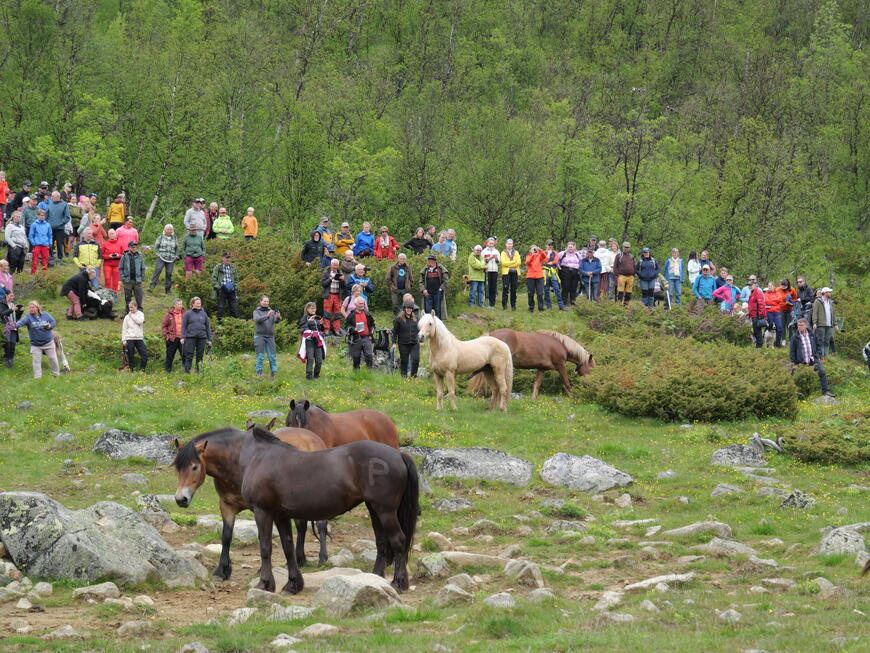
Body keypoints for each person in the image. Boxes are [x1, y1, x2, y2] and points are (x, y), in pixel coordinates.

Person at [790, 318, 834, 397]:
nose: (799, 327)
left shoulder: (812, 335)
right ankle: (792, 393)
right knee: (793, 375)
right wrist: (794, 363)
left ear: (806, 326)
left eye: (801, 325)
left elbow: (818, 346)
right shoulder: (795, 337)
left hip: (813, 360)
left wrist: (818, 357)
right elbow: (792, 351)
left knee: (822, 372)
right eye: (798, 325)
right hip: (801, 362)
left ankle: (825, 391)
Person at [15, 301, 60, 378]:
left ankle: (56, 375)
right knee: (36, 362)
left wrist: (50, 326)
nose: (31, 309)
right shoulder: (28, 317)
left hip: (48, 343)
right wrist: (14, 325)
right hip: (36, 345)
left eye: (33, 307)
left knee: (53, 359)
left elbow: (53, 321)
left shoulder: (45, 315)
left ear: (37, 308)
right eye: (30, 308)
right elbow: (21, 322)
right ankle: (38, 378)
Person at [253, 295, 282, 378]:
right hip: (259, 336)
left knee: (272, 356)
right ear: (260, 302)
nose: (266, 303)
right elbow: (257, 320)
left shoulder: (271, 311)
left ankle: (274, 372)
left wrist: (278, 317)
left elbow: (276, 321)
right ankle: (259, 372)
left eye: (267, 301)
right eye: (264, 301)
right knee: (260, 356)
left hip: (270, 336)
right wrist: (267, 316)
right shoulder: (256, 311)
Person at [181, 296, 212, 373]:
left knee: (200, 355)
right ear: (192, 304)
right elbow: (183, 326)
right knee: (189, 355)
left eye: (200, 303)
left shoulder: (204, 314)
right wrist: (182, 337)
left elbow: (208, 327)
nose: (199, 304)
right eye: (197, 303)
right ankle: (187, 371)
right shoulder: (188, 314)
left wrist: (209, 339)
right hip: (190, 338)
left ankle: (198, 371)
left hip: (202, 338)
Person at [345, 296, 375, 370]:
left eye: (363, 303)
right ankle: (356, 372)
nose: (362, 305)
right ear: (355, 304)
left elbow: (373, 325)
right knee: (356, 357)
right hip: (356, 338)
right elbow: (347, 327)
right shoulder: (351, 315)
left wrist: (371, 334)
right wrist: (353, 329)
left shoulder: (367, 314)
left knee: (369, 355)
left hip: (366, 337)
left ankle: (369, 371)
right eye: (360, 304)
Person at [297, 301, 324, 379]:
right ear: (307, 309)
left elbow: (321, 330)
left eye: (314, 308)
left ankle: (316, 374)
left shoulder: (317, 317)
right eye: (312, 308)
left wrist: (321, 324)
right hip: (309, 341)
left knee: (319, 359)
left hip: (317, 340)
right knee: (310, 358)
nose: (313, 310)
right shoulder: (304, 318)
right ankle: (309, 375)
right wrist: (308, 322)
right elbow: (302, 329)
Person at [149, 224, 179, 294]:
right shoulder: (161, 237)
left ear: (172, 231)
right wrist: (158, 254)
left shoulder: (174, 238)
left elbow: (177, 248)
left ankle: (168, 290)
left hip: (171, 258)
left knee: (169, 273)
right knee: (158, 270)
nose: (169, 231)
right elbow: (156, 247)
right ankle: (151, 287)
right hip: (161, 257)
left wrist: (176, 256)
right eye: (168, 229)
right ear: (165, 230)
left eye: (171, 229)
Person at [392, 300, 420, 377]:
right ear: (404, 308)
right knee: (404, 360)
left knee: (416, 359)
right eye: (407, 308)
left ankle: (414, 375)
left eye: (411, 308)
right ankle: (403, 376)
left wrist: (421, 340)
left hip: (414, 343)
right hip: (403, 344)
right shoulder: (399, 319)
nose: (409, 309)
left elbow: (420, 331)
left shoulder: (416, 319)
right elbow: (395, 332)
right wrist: (394, 343)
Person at [320, 258, 345, 335]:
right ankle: (326, 329)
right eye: (334, 265)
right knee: (327, 313)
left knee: (337, 313)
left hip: (337, 295)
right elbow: (323, 284)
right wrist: (331, 278)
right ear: (331, 265)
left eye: (337, 265)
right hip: (329, 295)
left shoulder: (340, 273)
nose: (335, 266)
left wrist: (342, 280)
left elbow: (344, 287)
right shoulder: (326, 273)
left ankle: (336, 329)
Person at [119, 241, 146, 313]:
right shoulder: (124, 256)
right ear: (129, 248)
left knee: (139, 297)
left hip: (137, 280)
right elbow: (120, 268)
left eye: (135, 247)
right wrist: (123, 278)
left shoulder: (140, 256)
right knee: (127, 297)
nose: (134, 248)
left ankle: (140, 312)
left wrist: (142, 277)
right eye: (132, 247)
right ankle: (128, 312)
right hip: (128, 281)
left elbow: (143, 267)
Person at [45, 191, 71, 264]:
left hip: (60, 228)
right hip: (50, 228)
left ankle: (60, 258)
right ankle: (51, 257)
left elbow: (67, 217)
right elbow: (46, 215)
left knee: (60, 243)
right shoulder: (50, 205)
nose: (51, 198)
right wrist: (47, 224)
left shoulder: (64, 205)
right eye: (52, 196)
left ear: (57, 197)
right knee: (50, 243)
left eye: (53, 196)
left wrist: (60, 223)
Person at [211, 252, 239, 319]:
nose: (228, 259)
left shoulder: (233, 268)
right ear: (222, 258)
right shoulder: (218, 267)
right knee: (221, 308)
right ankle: (219, 324)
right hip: (222, 290)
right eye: (226, 257)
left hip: (231, 290)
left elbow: (236, 280)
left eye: (229, 257)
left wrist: (234, 287)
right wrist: (220, 287)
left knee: (234, 308)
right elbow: (213, 279)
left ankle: (234, 323)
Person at [121, 301, 147, 371]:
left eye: (131, 307)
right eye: (129, 307)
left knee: (144, 353)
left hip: (139, 338)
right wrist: (124, 340)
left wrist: (132, 316)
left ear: (136, 307)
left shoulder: (140, 314)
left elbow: (140, 321)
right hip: (129, 338)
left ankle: (142, 369)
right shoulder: (126, 317)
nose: (130, 309)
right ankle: (132, 368)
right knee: (130, 354)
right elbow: (124, 329)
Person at [420, 254, 448, 319]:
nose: (430, 262)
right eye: (429, 261)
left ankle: (437, 322)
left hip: (437, 292)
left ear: (435, 261)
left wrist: (441, 288)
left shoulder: (440, 268)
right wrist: (423, 289)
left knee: (437, 308)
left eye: (431, 260)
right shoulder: (425, 269)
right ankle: (428, 321)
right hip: (427, 292)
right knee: (428, 309)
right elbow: (421, 281)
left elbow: (446, 280)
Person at [0, 287, 23, 367]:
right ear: (6, 295)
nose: (12, 297)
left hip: (13, 326)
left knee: (13, 344)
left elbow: (16, 317)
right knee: (7, 344)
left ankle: (11, 359)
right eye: (11, 296)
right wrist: (11, 309)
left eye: (13, 296)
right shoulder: (1, 303)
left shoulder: (13, 304)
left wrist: (20, 311)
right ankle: (6, 360)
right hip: (5, 326)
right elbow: (2, 314)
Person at [160, 299, 185, 372]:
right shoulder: (169, 314)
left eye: (181, 304)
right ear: (174, 305)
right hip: (172, 338)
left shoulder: (185, 313)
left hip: (183, 338)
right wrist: (167, 336)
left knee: (185, 355)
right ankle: (168, 370)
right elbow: (164, 326)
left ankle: (186, 370)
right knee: (170, 355)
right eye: (179, 304)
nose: (180, 306)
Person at [811, 287, 836, 360]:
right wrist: (814, 323)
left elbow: (833, 314)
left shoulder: (831, 302)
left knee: (827, 341)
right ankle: (821, 358)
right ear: (824, 293)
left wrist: (835, 324)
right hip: (820, 324)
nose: (830, 293)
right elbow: (814, 313)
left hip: (829, 325)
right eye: (829, 292)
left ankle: (825, 357)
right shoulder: (818, 301)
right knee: (820, 341)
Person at [28, 209, 53, 274]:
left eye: (44, 215)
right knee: (35, 260)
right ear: (38, 216)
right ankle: (33, 273)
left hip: (45, 245)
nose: (43, 217)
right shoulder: (34, 224)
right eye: (41, 215)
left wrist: (50, 243)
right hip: (37, 245)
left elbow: (50, 235)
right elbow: (31, 235)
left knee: (45, 260)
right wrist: (33, 243)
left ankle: (44, 275)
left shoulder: (47, 225)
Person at [500, 238, 521, 310]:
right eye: (508, 244)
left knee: (514, 289)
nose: (510, 245)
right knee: (505, 288)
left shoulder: (516, 252)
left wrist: (509, 264)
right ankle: (504, 305)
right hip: (506, 273)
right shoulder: (503, 252)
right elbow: (503, 263)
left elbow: (518, 262)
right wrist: (513, 262)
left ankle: (513, 305)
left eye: (511, 244)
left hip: (515, 272)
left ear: (512, 244)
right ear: (506, 244)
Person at [745, 276, 766, 347]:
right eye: (749, 285)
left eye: (751, 285)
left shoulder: (757, 292)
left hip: (757, 315)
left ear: (755, 285)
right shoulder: (752, 292)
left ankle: (759, 346)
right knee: (756, 331)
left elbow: (761, 304)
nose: (749, 286)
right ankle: (759, 345)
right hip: (753, 315)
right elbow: (752, 305)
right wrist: (749, 314)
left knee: (757, 331)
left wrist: (761, 315)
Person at [525, 244, 546, 312]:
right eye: (533, 249)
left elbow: (544, 256)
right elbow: (527, 262)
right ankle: (531, 307)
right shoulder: (528, 256)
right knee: (530, 293)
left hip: (539, 276)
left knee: (540, 293)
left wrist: (540, 250)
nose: (534, 250)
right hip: (530, 277)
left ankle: (541, 308)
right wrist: (532, 255)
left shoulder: (539, 256)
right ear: (530, 250)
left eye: (535, 249)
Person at [763, 281, 784, 347]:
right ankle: (766, 341)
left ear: (773, 286)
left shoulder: (778, 293)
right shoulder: (766, 294)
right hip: (769, 312)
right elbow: (766, 301)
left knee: (779, 327)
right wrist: (775, 302)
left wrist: (771, 302)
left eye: (771, 286)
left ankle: (777, 343)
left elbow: (780, 300)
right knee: (770, 326)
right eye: (768, 286)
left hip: (777, 312)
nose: (769, 287)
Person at [481, 237, 500, 308]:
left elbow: (498, 262)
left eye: (492, 243)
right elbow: (482, 261)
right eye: (490, 243)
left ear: (494, 243)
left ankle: (492, 304)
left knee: (493, 287)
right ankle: (486, 303)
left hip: (494, 270)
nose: (491, 244)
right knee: (487, 287)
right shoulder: (484, 251)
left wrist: (495, 258)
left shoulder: (497, 251)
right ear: (487, 243)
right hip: (487, 270)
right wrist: (490, 258)